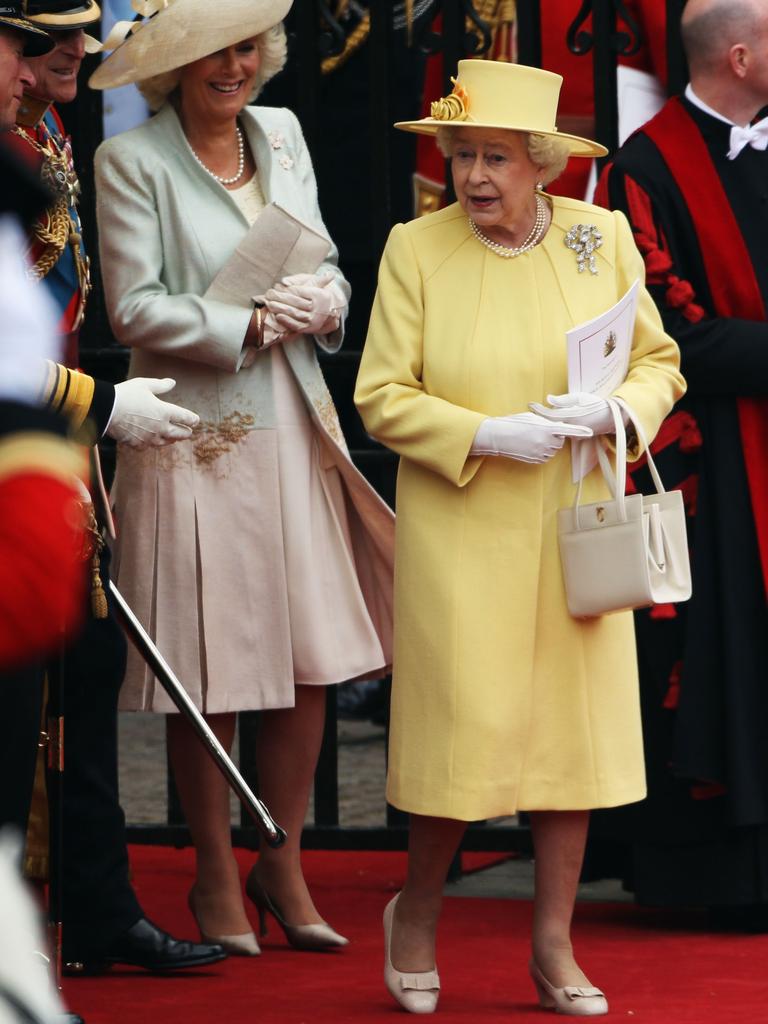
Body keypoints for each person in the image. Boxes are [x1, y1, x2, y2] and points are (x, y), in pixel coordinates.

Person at [355, 59, 685, 1015]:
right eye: (461, 155)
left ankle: (552, 945)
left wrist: (614, 414)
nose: (473, 177)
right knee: (462, 738)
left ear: (541, 161)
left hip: (573, 522)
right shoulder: (416, 249)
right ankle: (415, 912)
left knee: (566, 745)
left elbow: (660, 362)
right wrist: (481, 433)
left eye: (494, 156)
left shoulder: (599, 237)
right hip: (462, 527)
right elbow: (381, 394)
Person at [91, 0, 394, 957]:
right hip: (195, 434)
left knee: (308, 657)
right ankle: (215, 870)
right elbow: (134, 308)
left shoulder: (286, 131)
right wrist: (253, 324)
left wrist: (326, 300)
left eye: (248, 46)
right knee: (209, 667)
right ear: (171, 68)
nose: (236, 65)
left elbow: (326, 259)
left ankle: (285, 858)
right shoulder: (128, 162)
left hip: (291, 418)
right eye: (214, 50)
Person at [1, 0, 225, 978]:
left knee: (83, 680)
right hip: (40, 425)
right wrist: (96, 404)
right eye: (43, 40)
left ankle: (96, 906)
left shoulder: (45, 124)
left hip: (51, 441)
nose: (76, 55)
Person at [588, 0, 768, 926]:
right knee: (714, 653)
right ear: (738, 55)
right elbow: (663, 327)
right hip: (708, 454)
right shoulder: (644, 165)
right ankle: (709, 880)